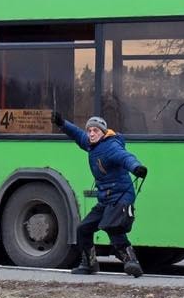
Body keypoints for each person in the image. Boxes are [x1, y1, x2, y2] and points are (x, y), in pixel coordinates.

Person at [52, 112, 148, 277]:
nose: (91, 133)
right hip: (105, 198)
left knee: (112, 226)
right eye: (89, 130)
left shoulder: (111, 146)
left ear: (103, 132)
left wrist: (136, 167)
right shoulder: (90, 144)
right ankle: (89, 264)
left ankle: (131, 261)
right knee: (83, 229)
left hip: (120, 195)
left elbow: (126, 157)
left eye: (95, 130)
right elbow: (77, 134)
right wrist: (62, 124)